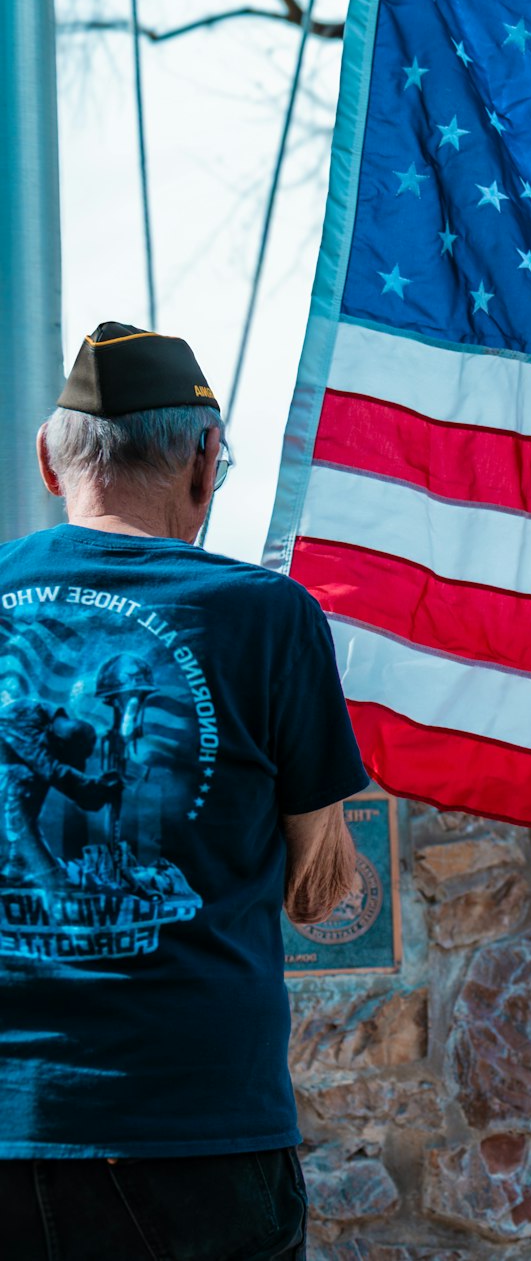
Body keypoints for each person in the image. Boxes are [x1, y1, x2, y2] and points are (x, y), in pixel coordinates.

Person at [0, 323, 366, 1258]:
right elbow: (317, 885)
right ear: (205, 461)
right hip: (193, 1135)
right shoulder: (266, 618)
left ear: (49, 460)